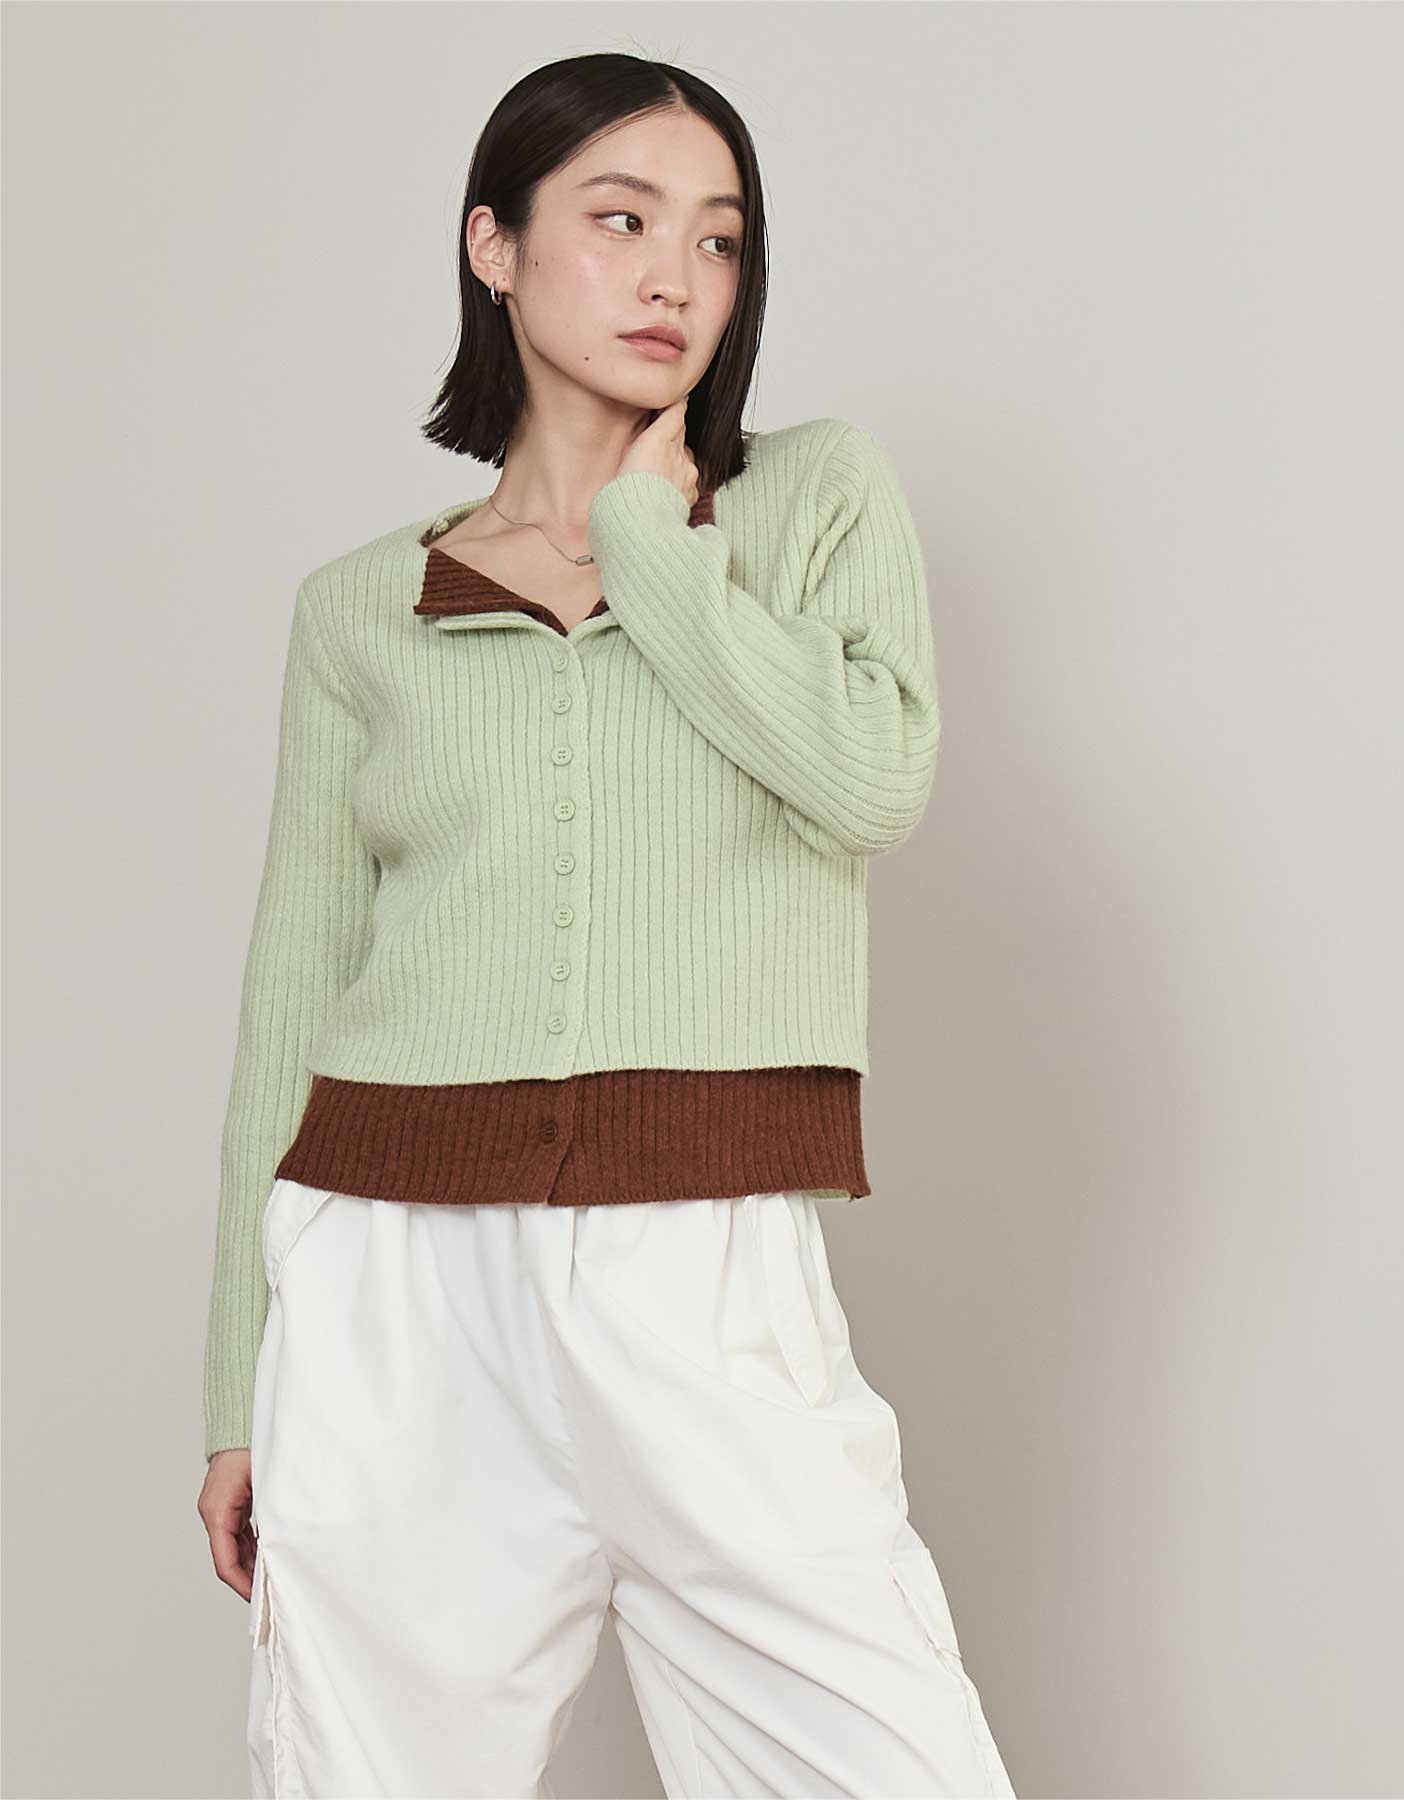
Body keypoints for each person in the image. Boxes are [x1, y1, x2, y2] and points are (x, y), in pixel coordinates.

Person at [196, 49, 1015, 1800]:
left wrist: (650, 544)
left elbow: (872, 780)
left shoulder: (812, 500)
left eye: (719, 239)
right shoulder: (362, 609)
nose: (676, 279)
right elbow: (295, 990)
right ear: (492, 246)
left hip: (697, 1262)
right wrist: (233, 1381)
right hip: (396, 1278)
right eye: (622, 221)